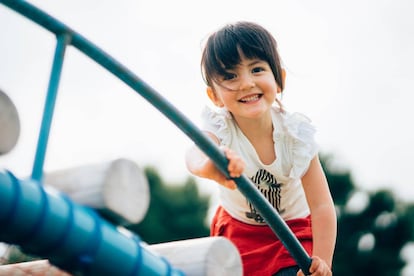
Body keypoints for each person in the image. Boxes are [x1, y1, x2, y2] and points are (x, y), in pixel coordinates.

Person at [185, 21, 337, 276]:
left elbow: (321, 206)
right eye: (230, 75)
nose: (245, 83)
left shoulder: (296, 137)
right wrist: (210, 167)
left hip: (293, 229)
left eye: (256, 69)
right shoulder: (220, 127)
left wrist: (323, 260)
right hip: (239, 229)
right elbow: (194, 154)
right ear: (214, 96)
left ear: (279, 80)